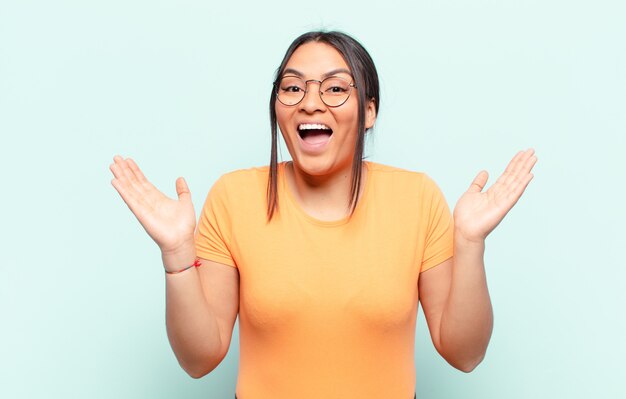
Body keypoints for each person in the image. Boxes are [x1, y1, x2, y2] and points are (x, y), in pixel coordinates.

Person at [109, 31, 537, 399]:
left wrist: (469, 243)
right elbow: (199, 359)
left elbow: (465, 353)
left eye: (334, 88)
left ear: (369, 111)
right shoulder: (233, 197)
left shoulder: (417, 197)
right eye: (293, 87)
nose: (310, 102)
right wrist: (178, 256)